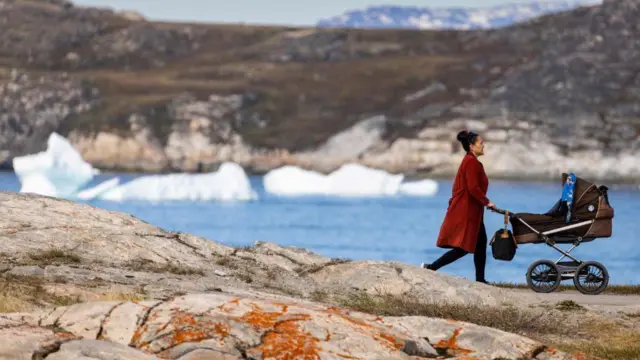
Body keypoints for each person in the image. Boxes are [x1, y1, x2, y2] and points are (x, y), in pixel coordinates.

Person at [420, 130, 496, 284]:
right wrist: (487, 201)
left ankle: (480, 280)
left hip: (473, 210)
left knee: (480, 244)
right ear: (471, 146)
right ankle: (431, 267)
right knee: (464, 247)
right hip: (467, 211)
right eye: (481, 143)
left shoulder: (471, 161)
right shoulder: (471, 162)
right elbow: (473, 187)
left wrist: (483, 203)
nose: (483, 146)